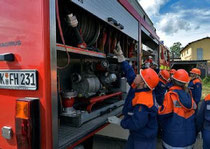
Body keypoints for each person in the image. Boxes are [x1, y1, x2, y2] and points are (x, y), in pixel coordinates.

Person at [108, 43, 159, 149]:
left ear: (143, 83)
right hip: (137, 135)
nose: (137, 75)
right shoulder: (138, 85)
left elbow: (137, 123)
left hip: (144, 138)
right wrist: (121, 58)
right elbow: (130, 72)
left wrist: (121, 122)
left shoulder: (144, 101)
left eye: (140, 76)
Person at [158, 69, 197, 149]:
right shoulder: (189, 96)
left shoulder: (170, 95)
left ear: (173, 80)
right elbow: (195, 115)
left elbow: (162, 115)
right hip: (189, 141)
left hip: (172, 141)